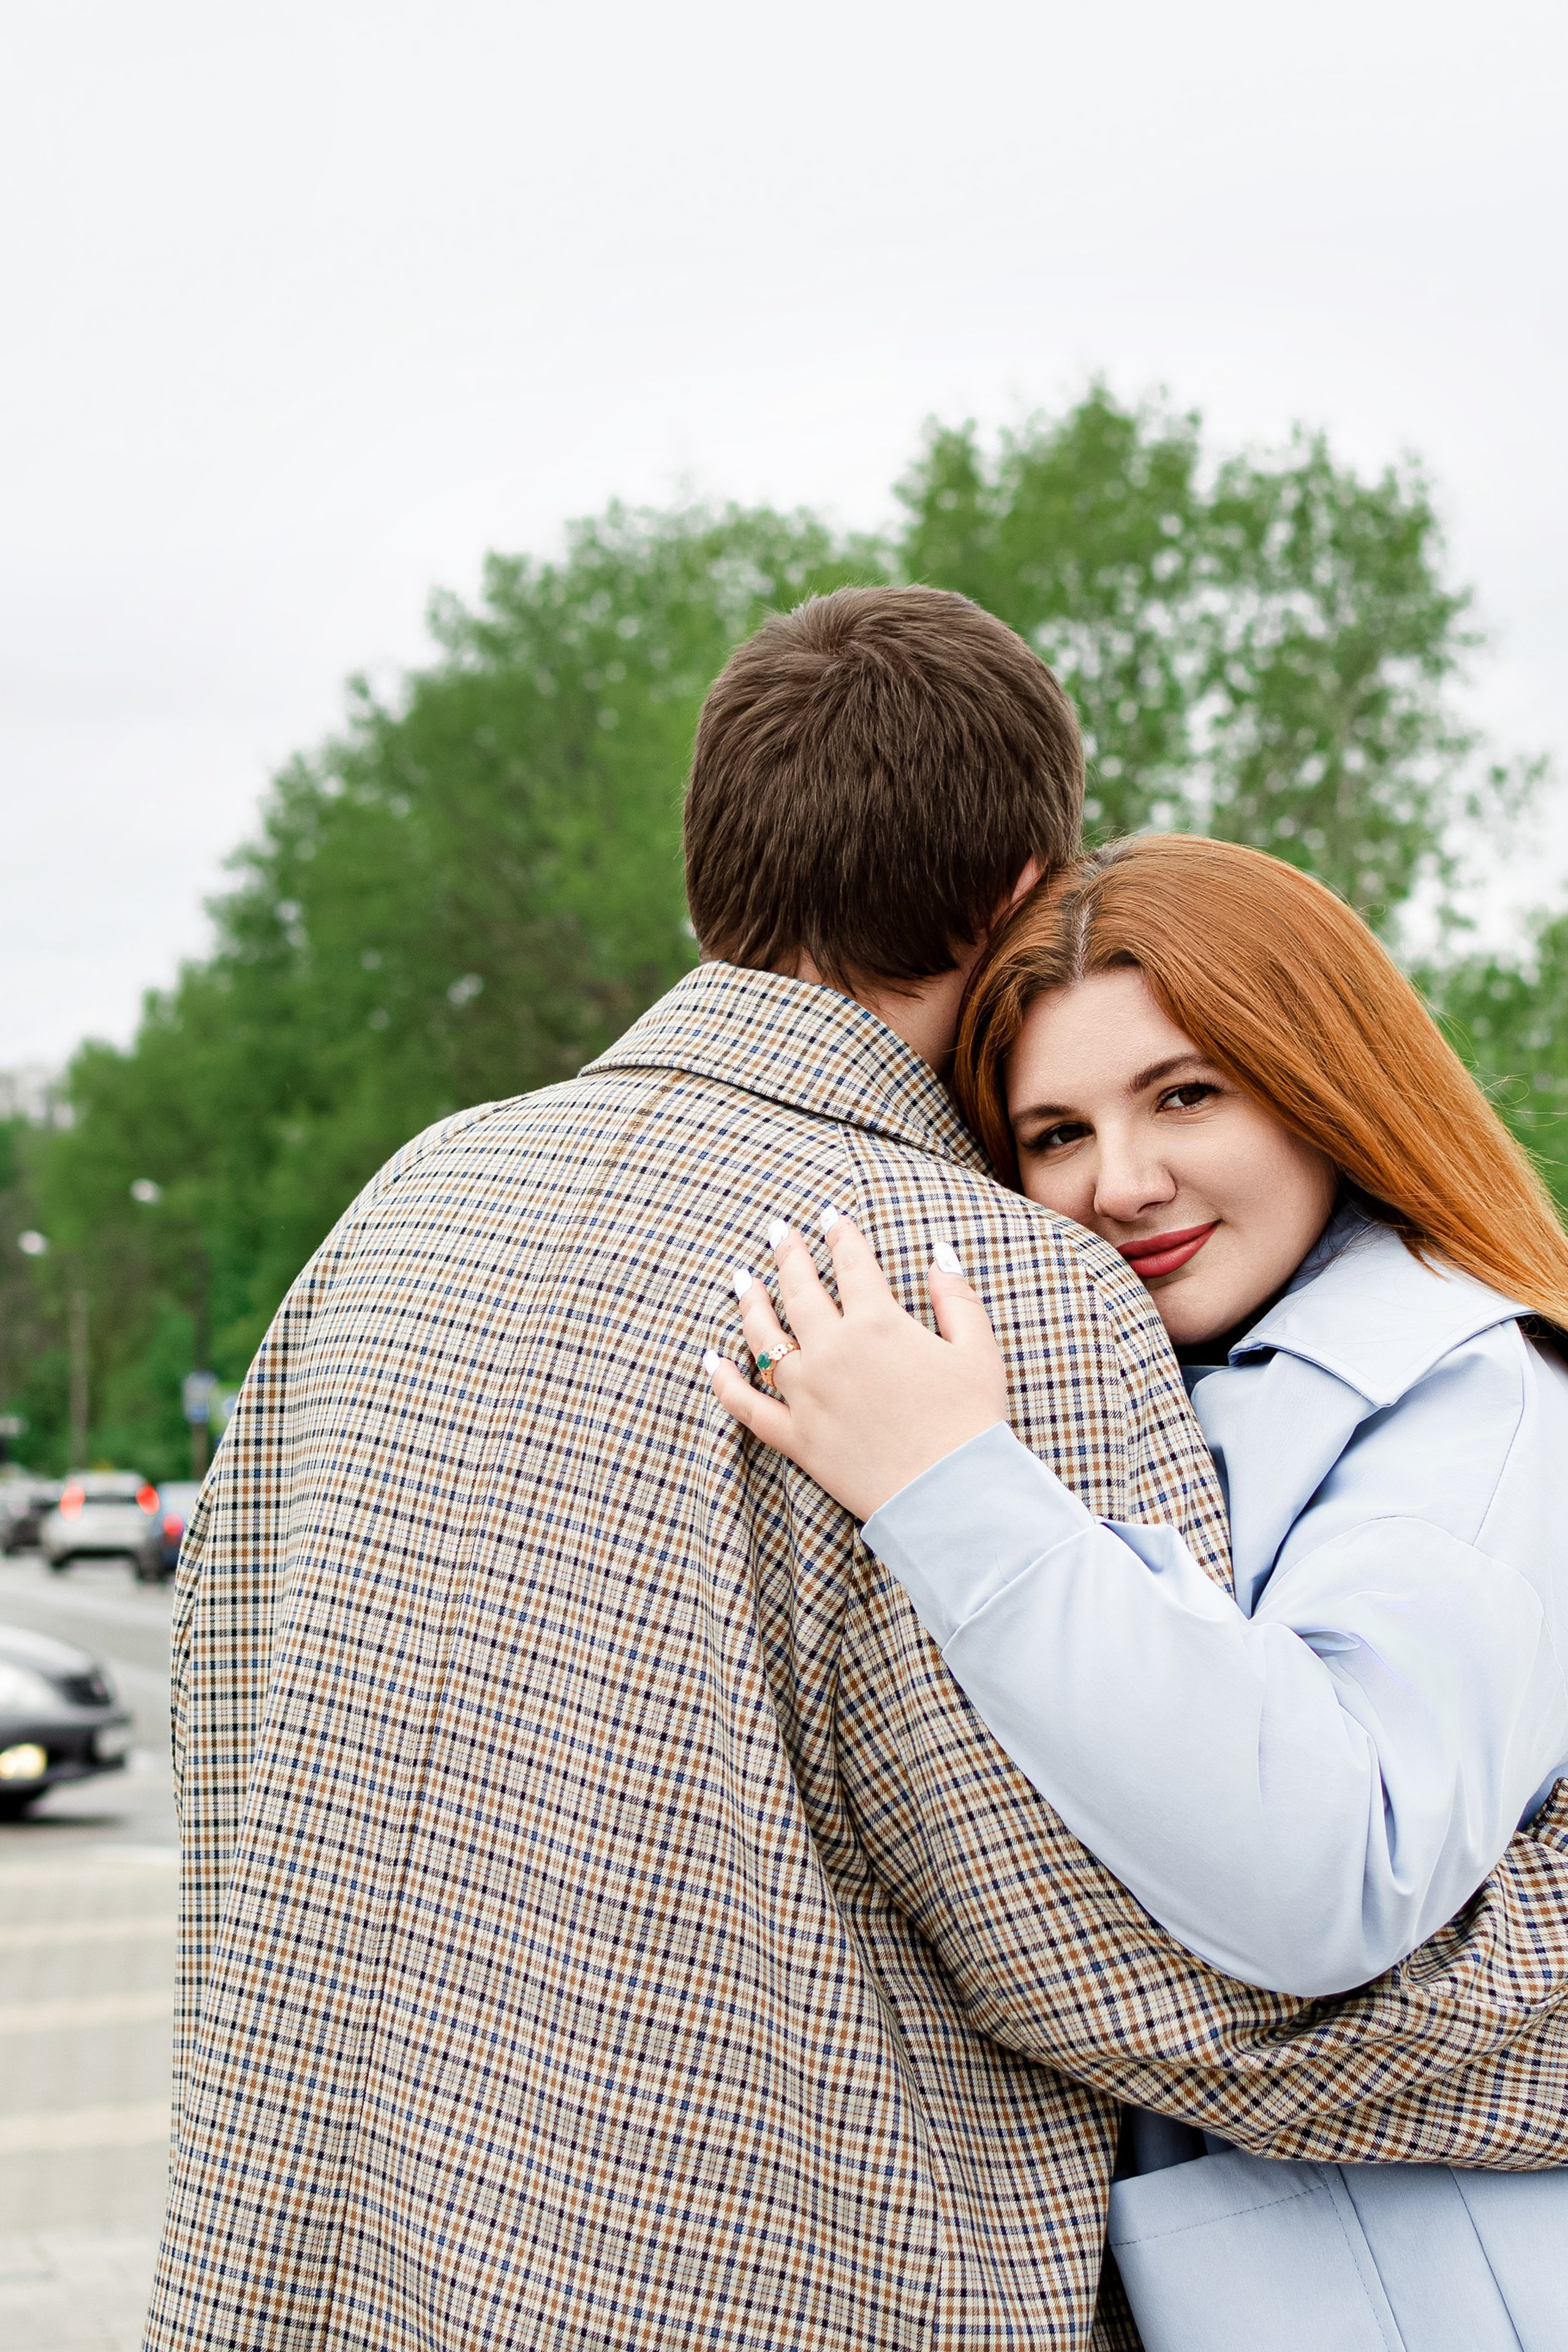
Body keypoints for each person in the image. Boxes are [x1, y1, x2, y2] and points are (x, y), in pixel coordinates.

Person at [148, 597, 1568, 2352]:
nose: (1115, 1175)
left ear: (711, 887)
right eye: (1074, 1128)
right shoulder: (972, 1290)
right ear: (1023, 893)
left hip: (302, 2267)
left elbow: (221, 1729)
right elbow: (1161, 1979)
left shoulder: (403, 1211)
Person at [707, 830, 1568, 2347]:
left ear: (1322, 1080)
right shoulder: (1142, 1383)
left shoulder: (1472, 1398)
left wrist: (947, 1484)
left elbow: (1331, 1866)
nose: (1121, 1182)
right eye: (1051, 1134)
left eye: (1184, 1095)